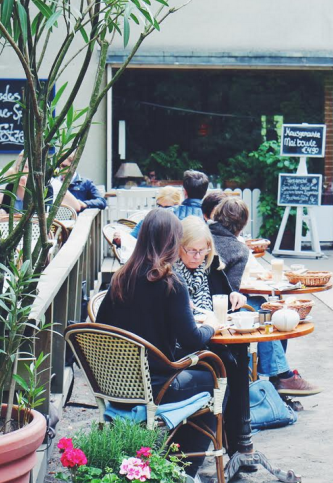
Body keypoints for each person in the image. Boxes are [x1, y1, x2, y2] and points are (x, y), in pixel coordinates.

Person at [95, 210, 220, 480]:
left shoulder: (120, 278)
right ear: (173, 242)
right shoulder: (170, 284)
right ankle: (183, 470)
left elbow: (102, 329)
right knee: (215, 378)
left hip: (115, 384)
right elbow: (192, 340)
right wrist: (213, 325)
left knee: (204, 374)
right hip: (156, 386)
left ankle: (172, 461)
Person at [212, 198, 321, 397]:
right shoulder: (237, 247)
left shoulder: (207, 235)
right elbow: (233, 289)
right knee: (267, 311)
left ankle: (279, 375)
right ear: (243, 223)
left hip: (205, 301)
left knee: (266, 307)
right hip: (222, 308)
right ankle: (281, 376)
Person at [175, 216, 255, 463]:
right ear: (179, 247)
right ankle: (235, 441)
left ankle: (240, 441)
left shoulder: (210, 267)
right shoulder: (172, 274)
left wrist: (236, 297)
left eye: (203, 250)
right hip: (183, 346)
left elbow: (224, 299)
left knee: (238, 355)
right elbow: (181, 328)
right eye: (192, 251)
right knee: (231, 364)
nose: (197, 256)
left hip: (209, 336)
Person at [132, 170, 208, 238]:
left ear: (184, 191)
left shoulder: (161, 214)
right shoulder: (211, 217)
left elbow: (132, 237)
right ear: (205, 192)